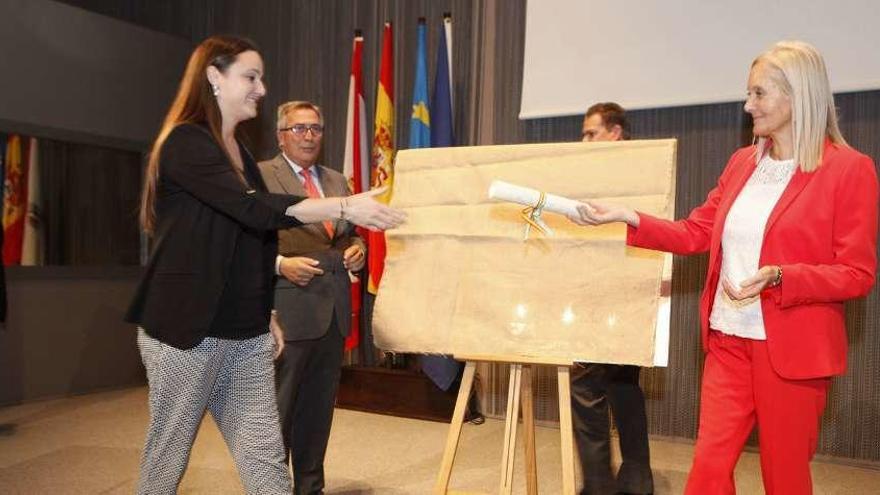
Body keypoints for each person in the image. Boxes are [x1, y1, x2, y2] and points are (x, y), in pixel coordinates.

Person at [570, 40, 878, 494]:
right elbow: (696, 232)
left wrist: (781, 276)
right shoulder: (741, 164)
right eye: (748, 93)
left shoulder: (850, 170)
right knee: (707, 473)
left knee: (785, 478)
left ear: (797, 95)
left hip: (792, 352)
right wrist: (629, 217)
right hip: (728, 342)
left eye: (759, 94)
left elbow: (856, 273)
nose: (747, 104)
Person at [125, 35, 404, 495]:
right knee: (167, 458)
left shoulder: (241, 157)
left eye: (261, 77)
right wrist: (342, 207)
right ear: (214, 77)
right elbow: (255, 210)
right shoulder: (186, 142)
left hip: (245, 334)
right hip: (183, 332)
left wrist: (264, 313)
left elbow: (252, 242)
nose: (261, 88)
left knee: (265, 457)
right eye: (250, 77)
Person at [257, 100, 364, 494]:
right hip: (287, 309)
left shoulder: (337, 181)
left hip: (333, 310)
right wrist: (280, 263)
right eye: (299, 128)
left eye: (315, 128)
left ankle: (309, 489)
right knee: (278, 413)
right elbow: (246, 240)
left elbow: (348, 232)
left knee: (318, 415)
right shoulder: (261, 175)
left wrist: (359, 250)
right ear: (281, 135)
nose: (308, 135)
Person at [574, 102, 654, 495]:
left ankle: (598, 485)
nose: (583, 141)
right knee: (623, 383)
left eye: (591, 133)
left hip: (609, 290)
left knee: (586, 385)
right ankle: (638, 477)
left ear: (615, 132)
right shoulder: (645, 172)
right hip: (628, 292)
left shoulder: (619, 177)